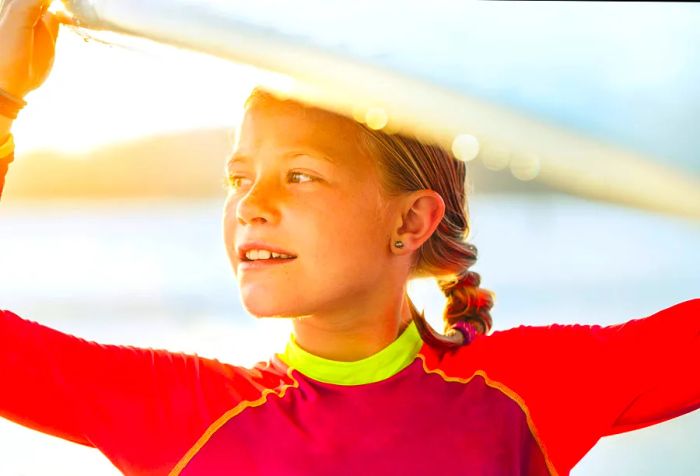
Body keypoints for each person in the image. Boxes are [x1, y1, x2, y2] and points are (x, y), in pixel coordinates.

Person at [1, 1, 698, 475]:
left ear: (410, 221)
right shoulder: (181, 412)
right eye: (237, 177)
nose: (252, 205)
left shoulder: (526, 393)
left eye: (300, 177)